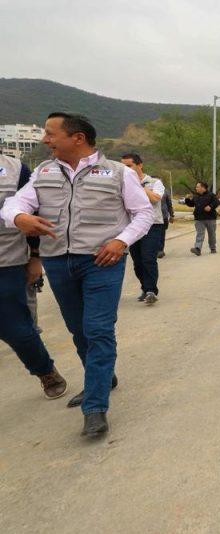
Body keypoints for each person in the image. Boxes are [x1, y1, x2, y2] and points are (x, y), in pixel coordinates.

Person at [2, 112, 153, 437]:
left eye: (50, 133)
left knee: (97, 329)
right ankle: (102, 376)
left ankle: (95, 406)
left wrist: (120, 240)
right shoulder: (43, 172)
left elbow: (143, 213)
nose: (45, 139)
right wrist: (19, 219)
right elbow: (14, 204)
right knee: (78, 329)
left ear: (77, 138)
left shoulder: (118, 172)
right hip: (58, 262)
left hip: (102, 261)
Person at [0, 152, 67, 399]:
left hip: (6, 260)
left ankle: (45, 371)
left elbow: (34, 211)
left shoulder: (15, 169)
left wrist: (36, 257)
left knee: (16, 327)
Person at [120, 153, 164, 304]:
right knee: (137, 261)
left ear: (139, 165)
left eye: (129, 166)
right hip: (132, 227)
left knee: (148, 258)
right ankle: (145, 288)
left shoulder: (154, 182)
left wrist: (137, 186)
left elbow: (155, 198)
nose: (126, 169)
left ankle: (151, 290)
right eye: (123, 166)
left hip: (152, 225)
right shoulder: (121, 182)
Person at [185, 181, 219, 255]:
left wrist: (210, 206)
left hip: (210, 218)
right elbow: (191, 204)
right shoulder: (195, 196)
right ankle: (197, 248)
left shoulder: (211, 195)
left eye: (197, 187)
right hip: (199, 218)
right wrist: (187, 199)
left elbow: (216, 202)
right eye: (196, 187)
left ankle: (213, 248)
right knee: (200, 234)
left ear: (203, 188)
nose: (196, 188)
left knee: (212, 234)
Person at [156, 188, 174, 258]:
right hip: (150, 217)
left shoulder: (165, 191)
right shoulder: (147, 190)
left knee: (161, 233)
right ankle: (155, 250)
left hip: (163, 217)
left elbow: (169, 204)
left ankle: (160, 250)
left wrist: (171, 215)